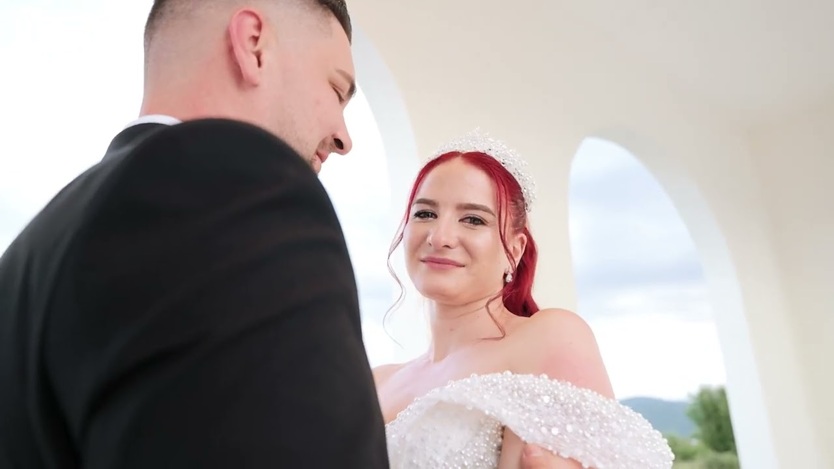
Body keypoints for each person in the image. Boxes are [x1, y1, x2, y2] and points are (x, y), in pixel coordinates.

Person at [0, 1, 389, 467]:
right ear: (254, 46)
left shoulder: (32, 252)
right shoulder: (243, 194)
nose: (344, 137)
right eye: (337, 89)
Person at [374, 129, 675, 468]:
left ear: (514, 251)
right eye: (425, 214)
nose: (439, 236)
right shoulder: (376, 382)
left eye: (473, 219)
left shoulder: (547, 338)